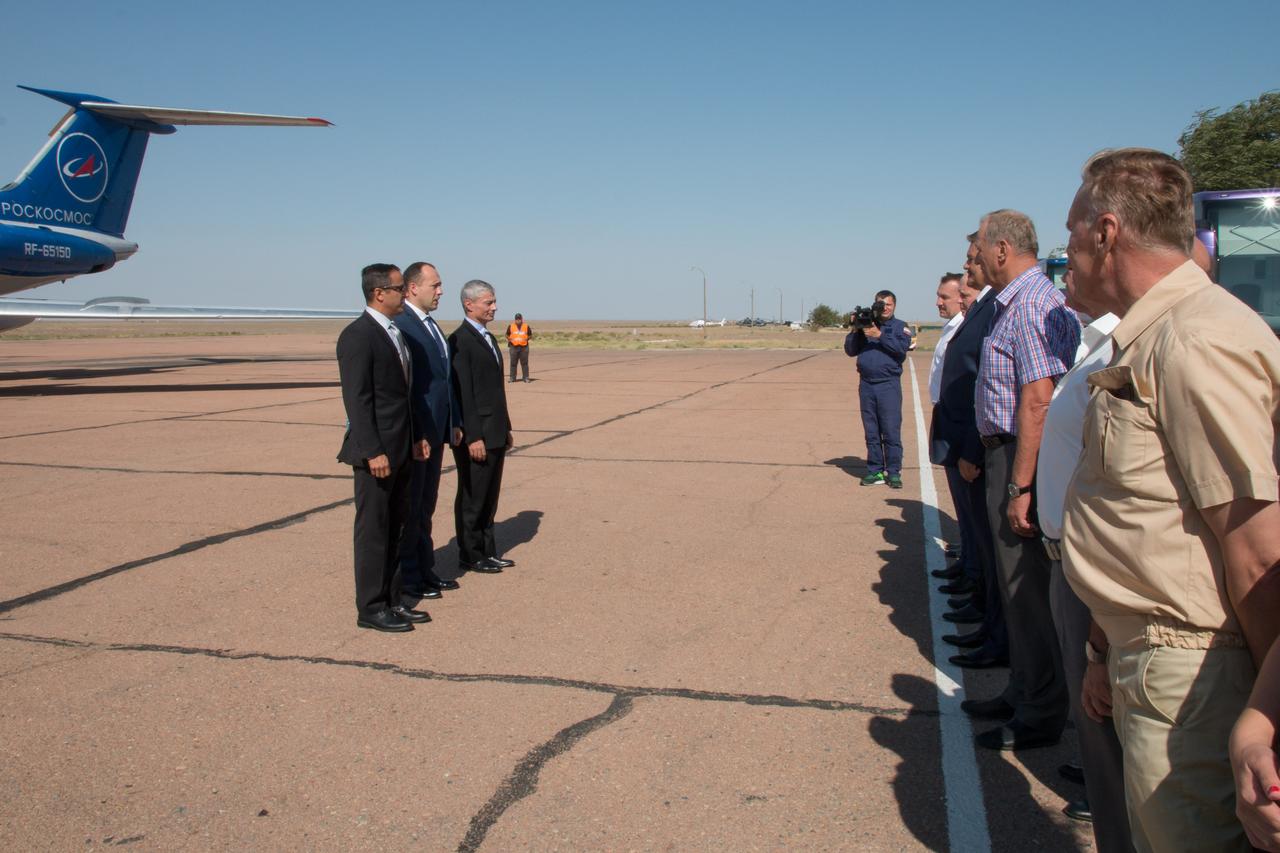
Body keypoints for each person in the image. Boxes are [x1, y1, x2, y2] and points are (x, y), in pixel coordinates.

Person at [1062, 148, 1280, 852]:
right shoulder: (1154, 335)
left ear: (1107, 232)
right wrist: (1101, 647)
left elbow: (1256, 551)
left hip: (1194, 678)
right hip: (1150, 660)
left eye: (1073, 234)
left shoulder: (1194, 340)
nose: (1068, 256)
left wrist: (1268, 716)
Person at [968, 209, 1079, 752]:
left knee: (1027, 591)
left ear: (1002, 249)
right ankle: (1023, 689)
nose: (977, 261)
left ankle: (1039, 712)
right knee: (1018, 594)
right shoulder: (1015, 303)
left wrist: (1021, 487)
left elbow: (1038, 400)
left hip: (1019, 455)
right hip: (1007, 453)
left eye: (980, 251)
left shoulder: (1032, 304)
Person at [1035, 264, 1130, 848]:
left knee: (1097, 690)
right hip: (1066, 546)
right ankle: (1101, 782)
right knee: (1086, 689)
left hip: (1088, 553)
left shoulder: (1118, 345)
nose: (1064, 274)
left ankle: (1109, 799)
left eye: (1074, 256)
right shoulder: (1092, 340)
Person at [336, 263, 430, 632]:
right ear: (379, 293)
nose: (404, 294)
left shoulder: (395, 333)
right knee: (374, 531)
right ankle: (371, 607)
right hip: (376, 453)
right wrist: (372, 450)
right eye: (398, 288)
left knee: (397, 527)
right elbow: (357, 401)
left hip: (401, 448)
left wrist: (416, 436)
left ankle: (393, 599)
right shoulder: (358, 336)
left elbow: (404, 395)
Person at [931, 241, 1007, 672]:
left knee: (989, 539)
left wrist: (972, 447)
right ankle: (984, 607)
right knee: (975, 526)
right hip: (965, 433)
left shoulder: (995, 309)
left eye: (973, 258)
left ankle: (995, 628)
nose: (967, 265)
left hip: (981, 441)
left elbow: (987, 383)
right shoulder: (983, 310)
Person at [393, 261, 462, 602]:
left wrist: (454, 423)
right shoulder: (403, 325)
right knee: (412, 507)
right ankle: (409, 576)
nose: (441, 291)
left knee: (426, 505)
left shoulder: (430, 325)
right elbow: (410, 390)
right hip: (419, 435)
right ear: (412, 288)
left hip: (436, 432)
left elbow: (443, 381)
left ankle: (425, 569)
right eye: (435, 285)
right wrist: (417, 433)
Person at [449, 280, 516, 574]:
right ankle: (470, 553)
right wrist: (473, 436)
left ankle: (488, 550)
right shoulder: (460, 340)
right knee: (473, 497)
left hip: (495, 430)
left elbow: (494, 390)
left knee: (489, 496)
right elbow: (463, 392)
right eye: (488, 302)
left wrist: (506, 427)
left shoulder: (487, 337)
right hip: (477, 435)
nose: (494, 307)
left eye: (494, 301)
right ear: (469, 304)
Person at [844, 290, 912, 489]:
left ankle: (893, 472)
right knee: (871, 431)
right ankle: (875, 470)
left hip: (888, 385)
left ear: (894, 306)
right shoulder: (866, 325)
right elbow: (850, 350)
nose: (885, 308)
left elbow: (901, 349)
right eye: (881, 304)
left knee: (890, 430)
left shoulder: (900, 326)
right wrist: (856, 329)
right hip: (866, 385)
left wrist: (880, 335)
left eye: (888, 304)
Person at [506, 312, 533, 383]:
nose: (518, 320)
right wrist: (509, 339)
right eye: (517, 319)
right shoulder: (511, 326)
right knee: (513, 363)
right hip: (513, 347)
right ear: (515, 320)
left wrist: (526, 339)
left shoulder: (526, 326)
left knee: (524, 363)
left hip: (524, 347)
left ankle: (526, 378)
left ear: (522, 319)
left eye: (519, 319)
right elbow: (507, 334)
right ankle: (512, 378)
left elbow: (530, 335)